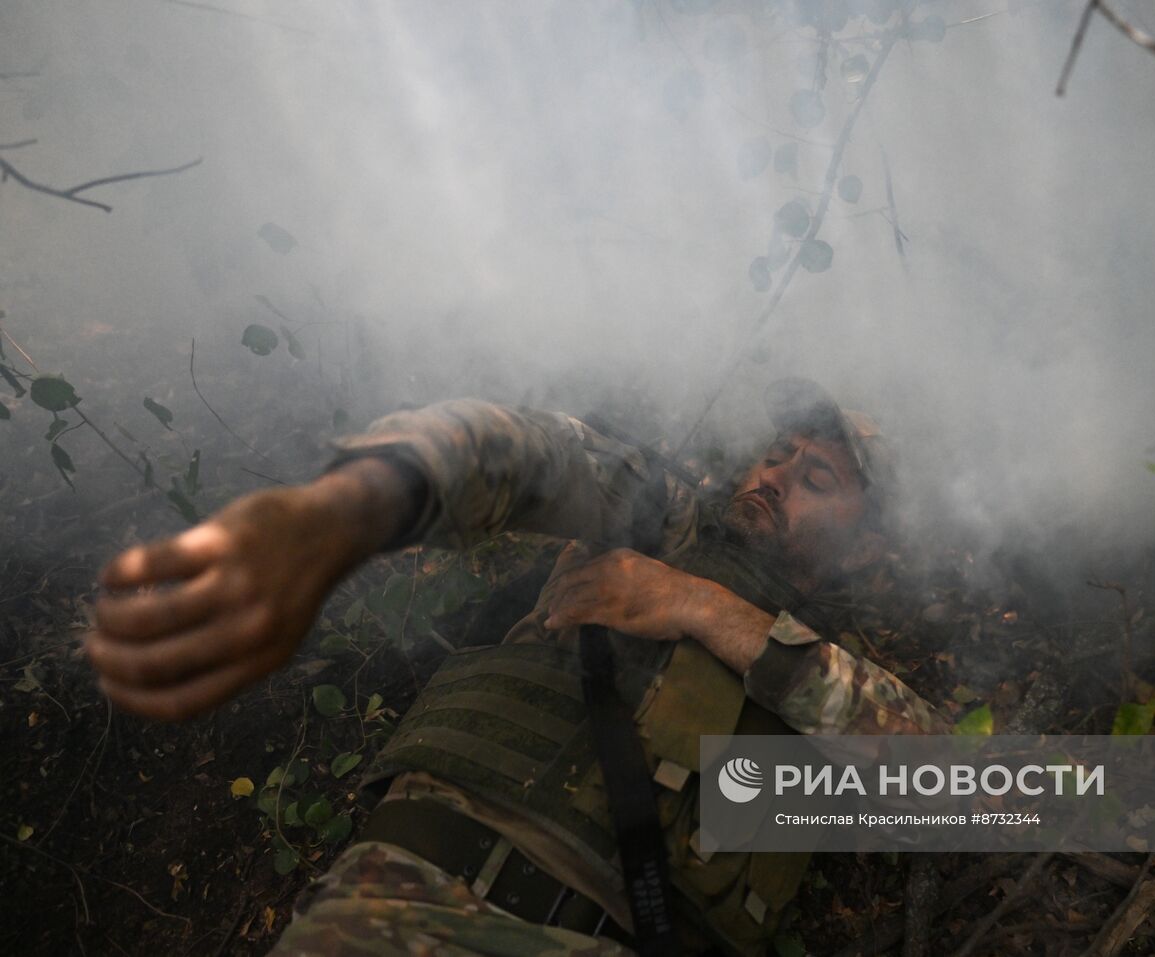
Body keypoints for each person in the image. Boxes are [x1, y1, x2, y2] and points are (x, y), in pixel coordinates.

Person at [84, 378, 949, 957]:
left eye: (819, 476)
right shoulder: (664, 518)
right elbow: (536, 454)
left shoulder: (832, 692)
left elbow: (980, 789)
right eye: (778, 452)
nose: (776, 475)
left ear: (866, 547)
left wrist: (696, 606)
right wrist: (353, 506)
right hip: (395, 900)